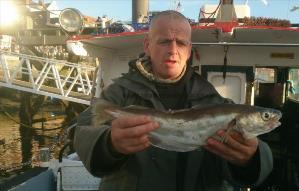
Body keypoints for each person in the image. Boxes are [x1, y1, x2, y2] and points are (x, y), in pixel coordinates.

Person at [74, 10, 273, 191]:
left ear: (189, 50)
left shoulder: (215, 101)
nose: (173, 49)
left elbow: (249, 172)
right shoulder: (119, 93)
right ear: (148, 46)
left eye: (181, 43)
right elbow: (82, 129)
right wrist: (109, 144)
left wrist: (252, 160)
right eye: (164, 41)